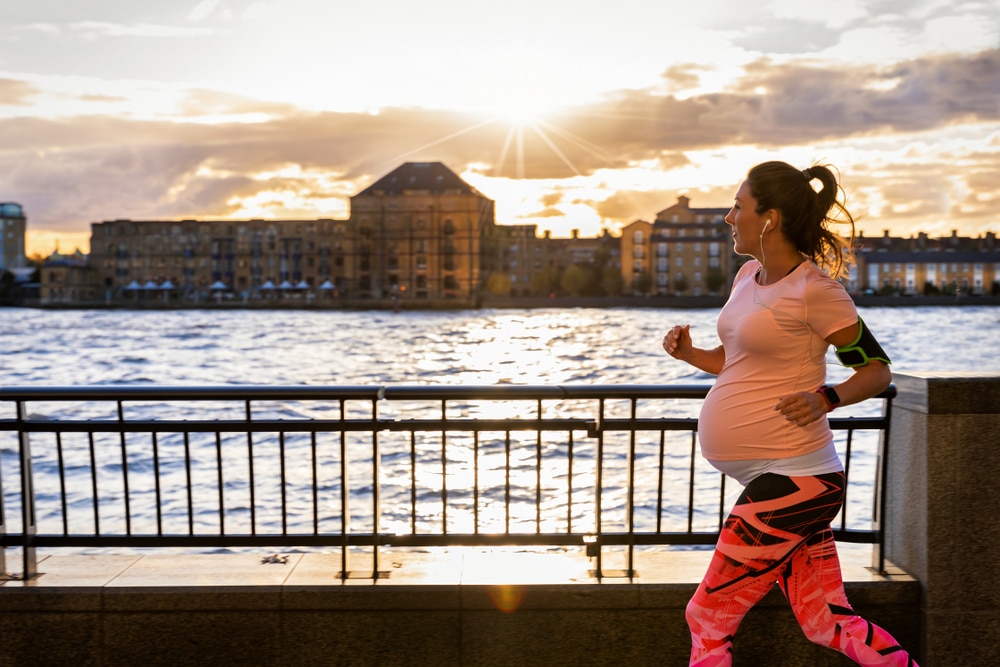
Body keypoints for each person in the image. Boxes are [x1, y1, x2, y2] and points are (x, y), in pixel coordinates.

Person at [662, 161, 917, 666]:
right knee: (827, 621)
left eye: (738, 206)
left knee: (707, 615)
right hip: (783, 480)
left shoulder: (815, 290)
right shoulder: (746, 277)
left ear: (770, 217)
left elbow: (877, 370)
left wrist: (826, 398)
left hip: (797, 479)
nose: (729, 217)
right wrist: (691, 355)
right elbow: (737, 361)